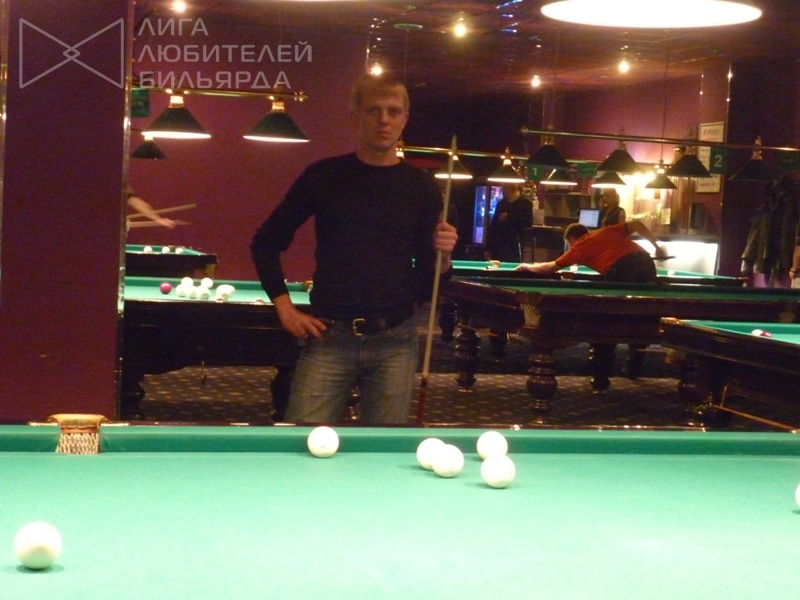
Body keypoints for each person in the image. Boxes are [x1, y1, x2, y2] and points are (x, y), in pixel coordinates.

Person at [250, 74, 458, 425]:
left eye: (393, 111)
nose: (384, 120)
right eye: (374, 110)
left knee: (382, 451)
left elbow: (430, 276)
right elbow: (265, 242)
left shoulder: (422, 188)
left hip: (396, 341)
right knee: (302, 440)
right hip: (329, 337)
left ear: (405, 118)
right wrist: (284, 308)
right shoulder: (323, 176)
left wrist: (445, 256)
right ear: (356, 115)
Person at [514, 219, 666, 282]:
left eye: (569, 244)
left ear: (572, 239)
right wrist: (657, 246)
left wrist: (527, 266)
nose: (570, 247)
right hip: (647, 263)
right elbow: (636, 223)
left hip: (623, 269)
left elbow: (549, 268)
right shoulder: (605, 231)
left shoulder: (578, 247)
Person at [485, 183, 534, 262]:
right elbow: (493, 226)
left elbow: (528, 223)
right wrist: (488, 247)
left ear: (511, 188)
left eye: (504, 187)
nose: (502, 190)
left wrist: (509, 217)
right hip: (499, 245)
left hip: (515, 245)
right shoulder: (501, 204)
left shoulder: (525, 203)